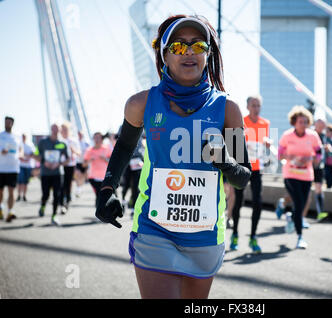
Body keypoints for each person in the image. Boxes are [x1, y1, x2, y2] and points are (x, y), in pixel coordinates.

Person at [94, 15, 251, 299]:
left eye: (198, 45)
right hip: (155, 230)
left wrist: (225, 161)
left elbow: (242, 179)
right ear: (164, 54)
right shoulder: (140, 104)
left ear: (208, 54)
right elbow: (124, 148)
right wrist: (107, 189)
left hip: (205, 234)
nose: (189, 52)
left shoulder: (228, 110)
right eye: (178, 47)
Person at [230, 95, 270, 254]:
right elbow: (234, 143)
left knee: (258, 202)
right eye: (253, 105)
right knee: (238, 202)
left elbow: (265, 148)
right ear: (247, 107)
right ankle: (235, 234)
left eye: (258, 105)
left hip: (257, 169)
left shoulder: (265, 123)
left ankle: (253, 236)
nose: (256, 108)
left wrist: (267, 146)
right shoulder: (241, 121)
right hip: (242, 167)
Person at [278, 106, 322, 249]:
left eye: (305, 122)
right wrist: (289, 156)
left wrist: (313, 158)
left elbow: (319, 152)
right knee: (298, 202)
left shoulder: (313, 136)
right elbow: (280, 154)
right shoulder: (287, 136)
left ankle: (291, 217)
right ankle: (300, 237)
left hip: (306, 175)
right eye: (300, 122)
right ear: (294, 122)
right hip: (290, 174)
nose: (303, 124)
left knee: (302, 204)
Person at [33, 124, 69, 225]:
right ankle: (43, 206)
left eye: (57, 129)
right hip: (45, 173)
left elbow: (68, 159)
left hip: (58, 173)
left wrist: (59, 163)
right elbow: (35, 155)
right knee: (46, 194)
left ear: (60, 130)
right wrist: (44, 162)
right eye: (53, 128)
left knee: (56, 195)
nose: (55, 130)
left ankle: (54, 215)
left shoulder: (62, 144)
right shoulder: (42, 142)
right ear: (51, 129)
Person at [0, 116, 22, 222]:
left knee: (11, 191)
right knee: (0, 191)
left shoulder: (17, 137)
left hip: (13, 168)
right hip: (1, 168)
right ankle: (0, 208)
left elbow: (21, 149)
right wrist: (2, 151)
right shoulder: (0, 136)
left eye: (9, 122)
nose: (7, 124)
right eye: (6, 122)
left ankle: (10, 211)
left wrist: (21, 154)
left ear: (12, 124)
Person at [83, 132, 112, 207]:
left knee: (104, 195)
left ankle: (103, 212)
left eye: (98, 137)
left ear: (102, 139)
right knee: (98, 194)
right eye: (95, 138)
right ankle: (99, 212)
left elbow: (112, 162)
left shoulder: (106, 149)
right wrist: (90, 160)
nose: (97, 139)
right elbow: (84, 164)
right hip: (93, 177)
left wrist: (105, 159)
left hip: (105, 177)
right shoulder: (89, 150)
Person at [60, 122, 81, 212]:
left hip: (70, 165)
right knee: (61, 184)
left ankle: (67, 201)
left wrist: (74, 150)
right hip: (60, 165)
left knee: (68, 183)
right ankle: (62, 201)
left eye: (65, 129)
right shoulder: (59, 141)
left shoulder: (73, 141)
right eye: (62, 130)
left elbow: (79, 153)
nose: (64, 131)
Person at [17, 133, 36, 201]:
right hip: (21, 165)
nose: (23, 138)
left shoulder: (30, 145)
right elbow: (18, 154)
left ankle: (24, 195)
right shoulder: (19, 144)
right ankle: (19, 195)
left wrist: (26, 157)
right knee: (20, 182)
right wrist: (23, 157)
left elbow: (32, 154)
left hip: (28, 166)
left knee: (25, 182)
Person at [74, 130, 90, 198]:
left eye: (81, 134)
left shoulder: (86, 143)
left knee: (83, 176)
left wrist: (87, 161)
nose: (79, 136)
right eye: (78, 134)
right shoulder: (75, 142)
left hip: (85, 162)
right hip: (78, 162)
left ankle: (80, 188)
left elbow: (89, 152)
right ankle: (78, 188)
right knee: (78, 174)